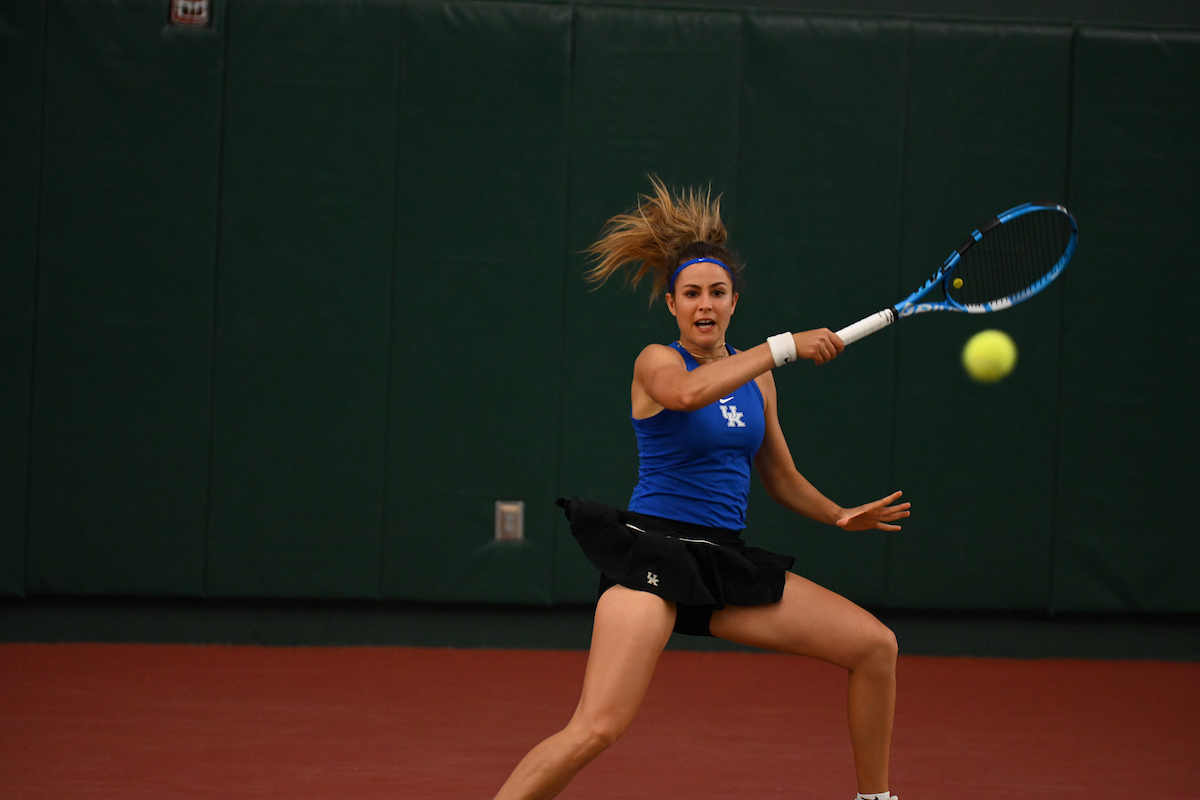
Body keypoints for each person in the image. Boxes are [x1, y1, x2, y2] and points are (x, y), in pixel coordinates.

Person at [492, 178, 911, 800]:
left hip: (722, 562)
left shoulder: (757, 381)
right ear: (672, 305)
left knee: (876, 647)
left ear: (734, 302)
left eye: (718, 292)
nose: (705, 304)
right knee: (597, 727)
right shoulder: (657, 362)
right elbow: (688, 395)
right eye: (692, 294)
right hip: (652, 557)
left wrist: (838, 514)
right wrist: (783, 347)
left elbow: (781, 477)